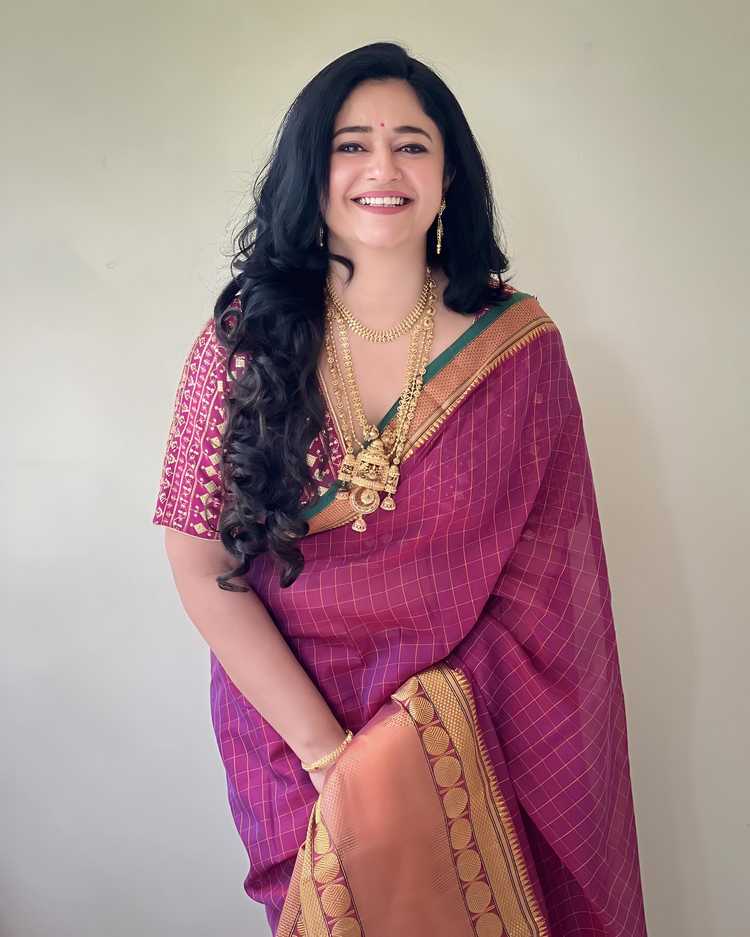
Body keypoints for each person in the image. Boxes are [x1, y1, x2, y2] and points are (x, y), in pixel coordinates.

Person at [151, 42, 649, 937]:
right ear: (312, 173)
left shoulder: (516, 348)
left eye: (411, 144)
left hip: (475, 741)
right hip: (291, 744)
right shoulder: (244, 342)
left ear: (448, 176)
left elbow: (551, 585)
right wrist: (330, 758)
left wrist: (406, 744)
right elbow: (198, 562)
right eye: (351, 145)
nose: (382, 168)